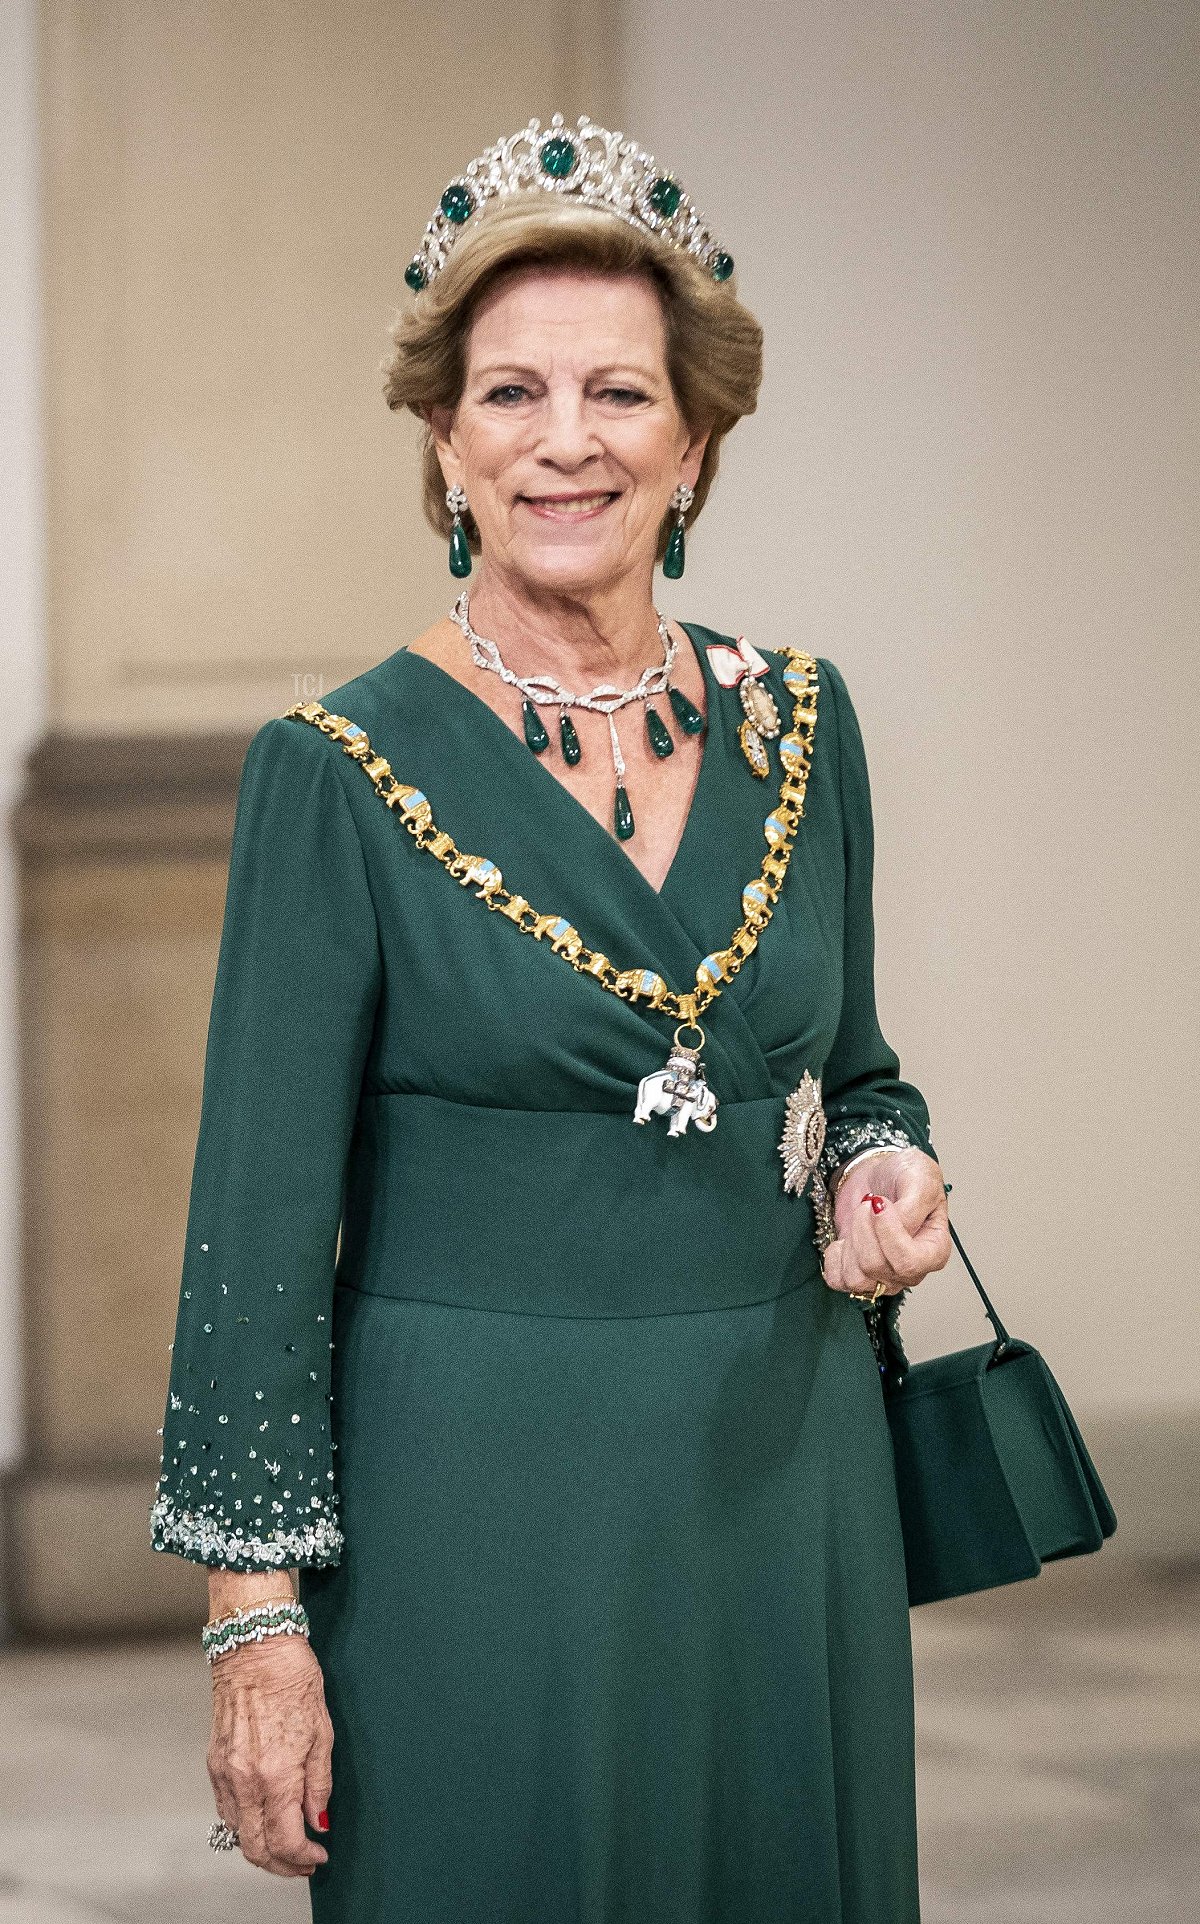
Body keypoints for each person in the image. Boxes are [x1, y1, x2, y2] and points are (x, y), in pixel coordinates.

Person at [151, 112, 951, 1922]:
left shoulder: (804, 728)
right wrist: (254, 1623)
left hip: (779, 1479)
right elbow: (255, 1230)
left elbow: (861, 1075)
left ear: (699, 438)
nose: (565, 441)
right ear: (443, 440)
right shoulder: (338, 770)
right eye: (510, 395)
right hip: (472, 1512)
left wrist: (887, 1173)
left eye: (617, 392)